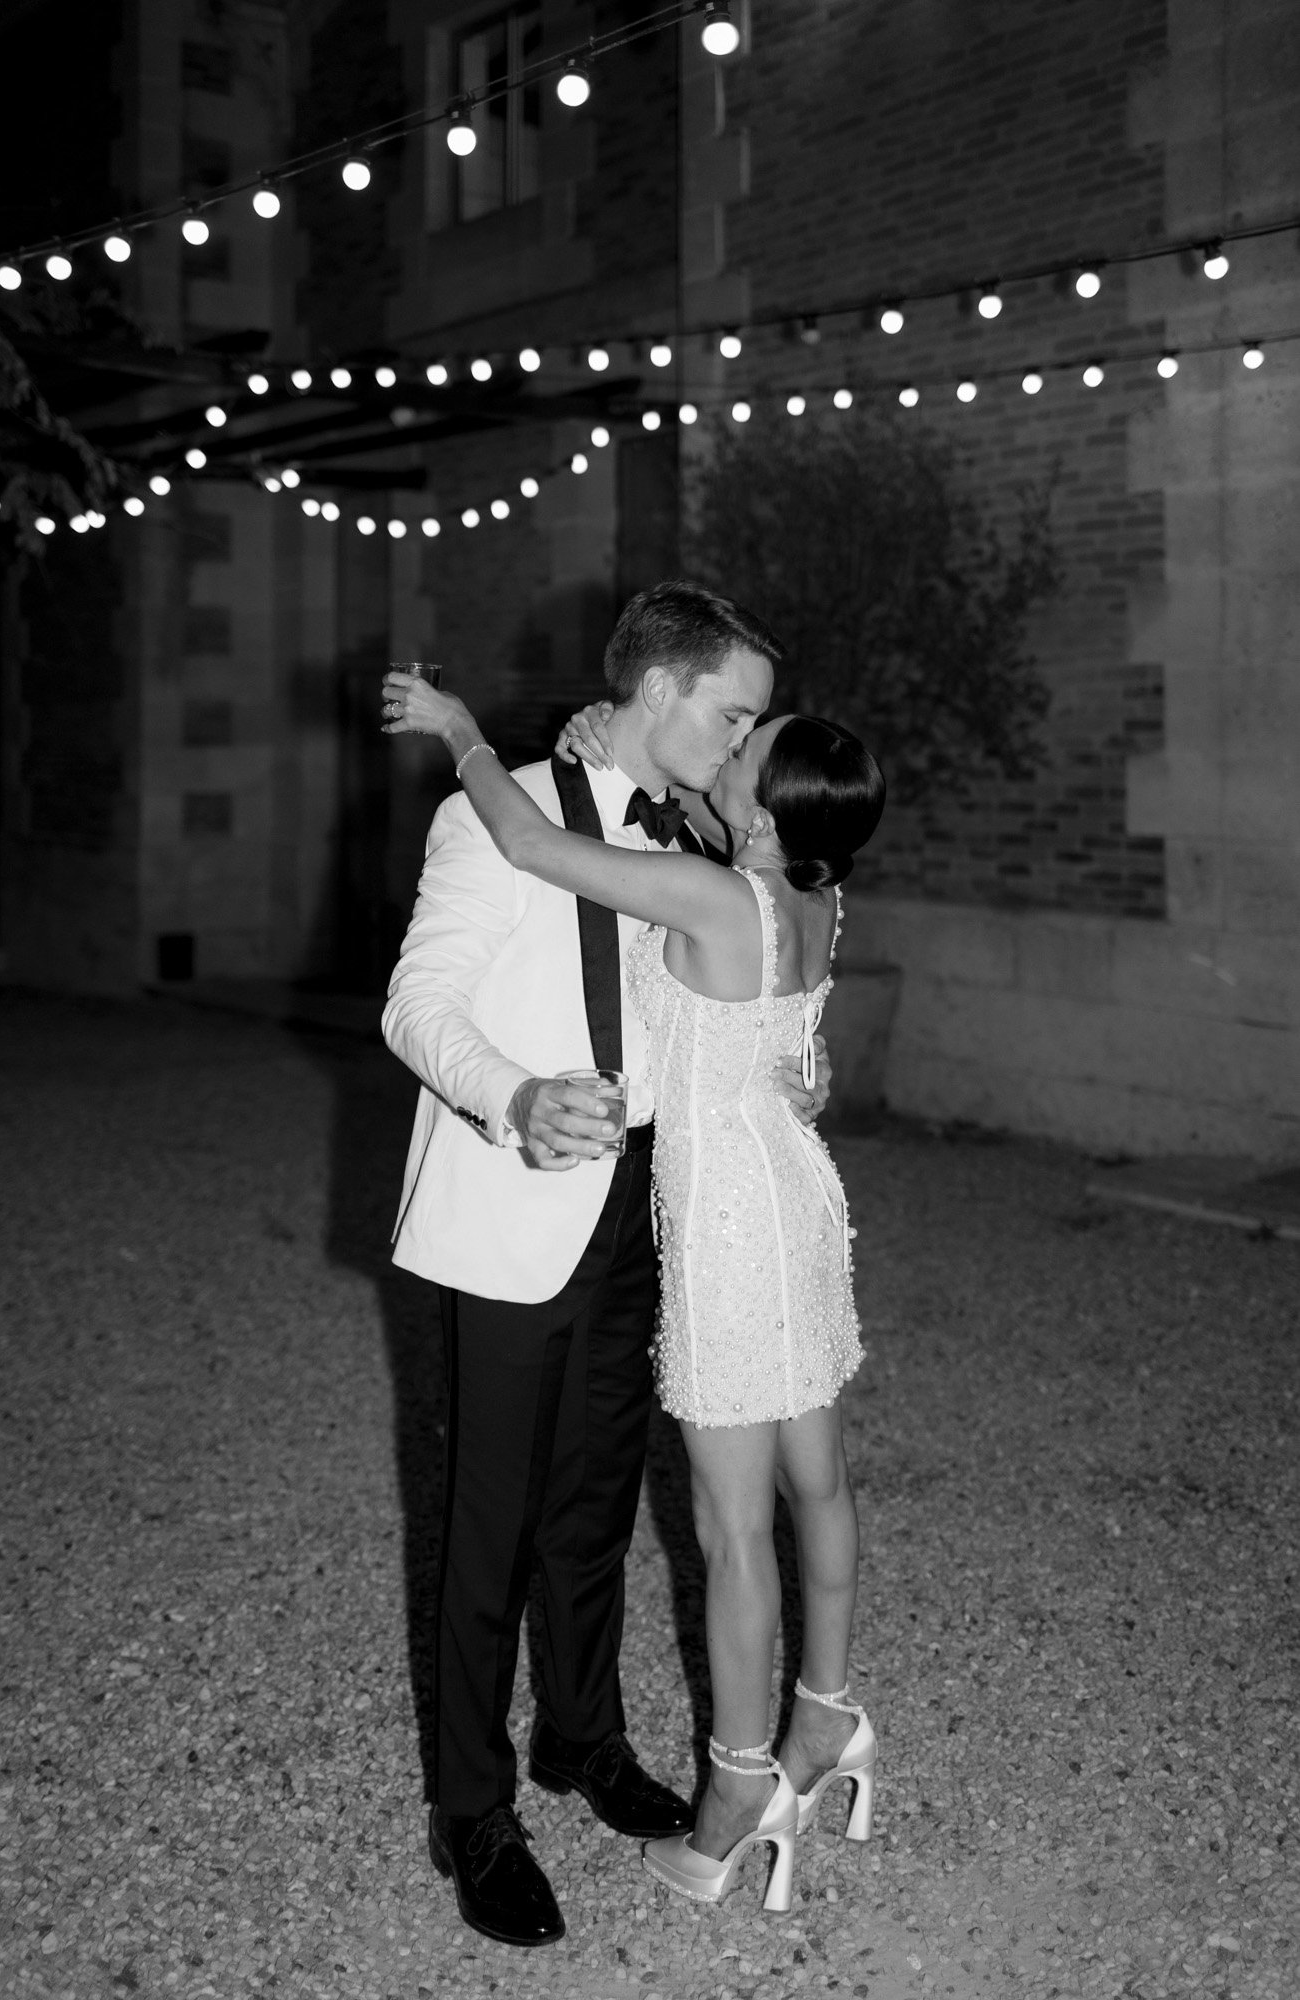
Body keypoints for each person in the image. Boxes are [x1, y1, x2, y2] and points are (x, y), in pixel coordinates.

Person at [382, 622, 886, 1919]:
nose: (733, 744)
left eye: (749, 733)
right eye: (729, 714)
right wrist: (512, 1096)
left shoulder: (702, 845)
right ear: (657, 690)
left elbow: (741, 1009)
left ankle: (584, 1737)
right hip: (522, 1200)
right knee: (486, 1524)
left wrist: (795, 1071)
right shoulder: (500, 817)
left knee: (599, 1504)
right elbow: (416, 1002)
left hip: (657, 1219)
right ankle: (473, 1813)